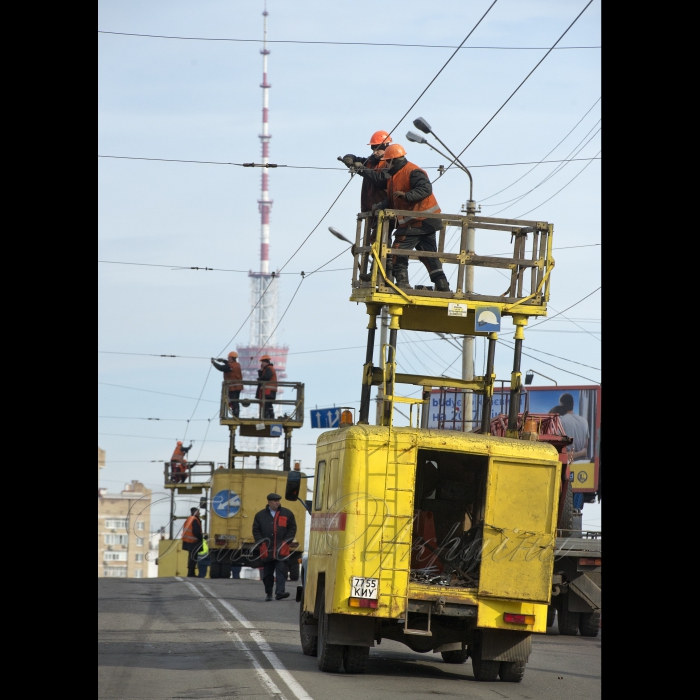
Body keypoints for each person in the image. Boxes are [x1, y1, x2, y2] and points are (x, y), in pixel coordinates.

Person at [372, 144, 450, 291]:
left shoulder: (412, 171)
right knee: (429, 255)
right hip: (422, 221)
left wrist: (407, 196)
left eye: (387, 161)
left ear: (393, 161)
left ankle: (402, 284)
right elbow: (392, 199)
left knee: (398, 250)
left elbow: (425, 189)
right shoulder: (394, 177)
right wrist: (379, 206)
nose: (385, 165)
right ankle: (442, 285)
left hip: (420, 221)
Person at [252, 493, 297, 601]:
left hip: (282, 549)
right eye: (275, 501)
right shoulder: (260, 515)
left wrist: (287, 541)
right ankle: (268, 593)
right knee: (267, 574)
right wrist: (261, 542)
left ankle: (280, 592)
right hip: (267, 549)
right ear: (269, 502)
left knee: (281, 571)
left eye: (278, 501)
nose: (277, 503)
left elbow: (292, 528)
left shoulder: (287, 513)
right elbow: (256, 530)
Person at [558, 393, 590, 462]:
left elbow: (558, 449)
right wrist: (581, 453)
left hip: (566, 463)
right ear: (573, 404)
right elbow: (586, 445)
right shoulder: (584, 421)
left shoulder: (560, 421)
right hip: (583, 463)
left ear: (561, 406)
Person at [211, 352, 244, 417]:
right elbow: (229, 365)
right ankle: (236, 413)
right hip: (239, 386)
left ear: (231, 358)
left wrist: (214, 363)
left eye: (228, 357)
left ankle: (235, 413)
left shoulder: (230, 366)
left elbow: (221, 368)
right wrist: (223, 361)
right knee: (236, 400)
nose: (228, 359)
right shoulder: (237, 364)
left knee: (233, 400)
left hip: (232, 387)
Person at [182, 507, 203, 578]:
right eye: (198, 512)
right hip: (193, 542)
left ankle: (190, 573)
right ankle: (191, 573)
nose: (199, 513)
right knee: (193, 558)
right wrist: (201, 538)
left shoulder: (189, 519)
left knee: (191, 557)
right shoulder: (194, 520)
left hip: (188, 542)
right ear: (195, 512)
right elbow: (196, 531)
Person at [256, 355, 277, 420]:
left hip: (269, 390)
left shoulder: (269, 368)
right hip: (270, 390)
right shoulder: (267, 369)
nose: (261, 364)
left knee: (267, 404)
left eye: (262, 362)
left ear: (265, 362)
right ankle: (270, 417)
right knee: (268, 404)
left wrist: (259, 379)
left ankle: (268, 417)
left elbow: (266, 377)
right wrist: (261, 371)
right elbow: (265, 376)